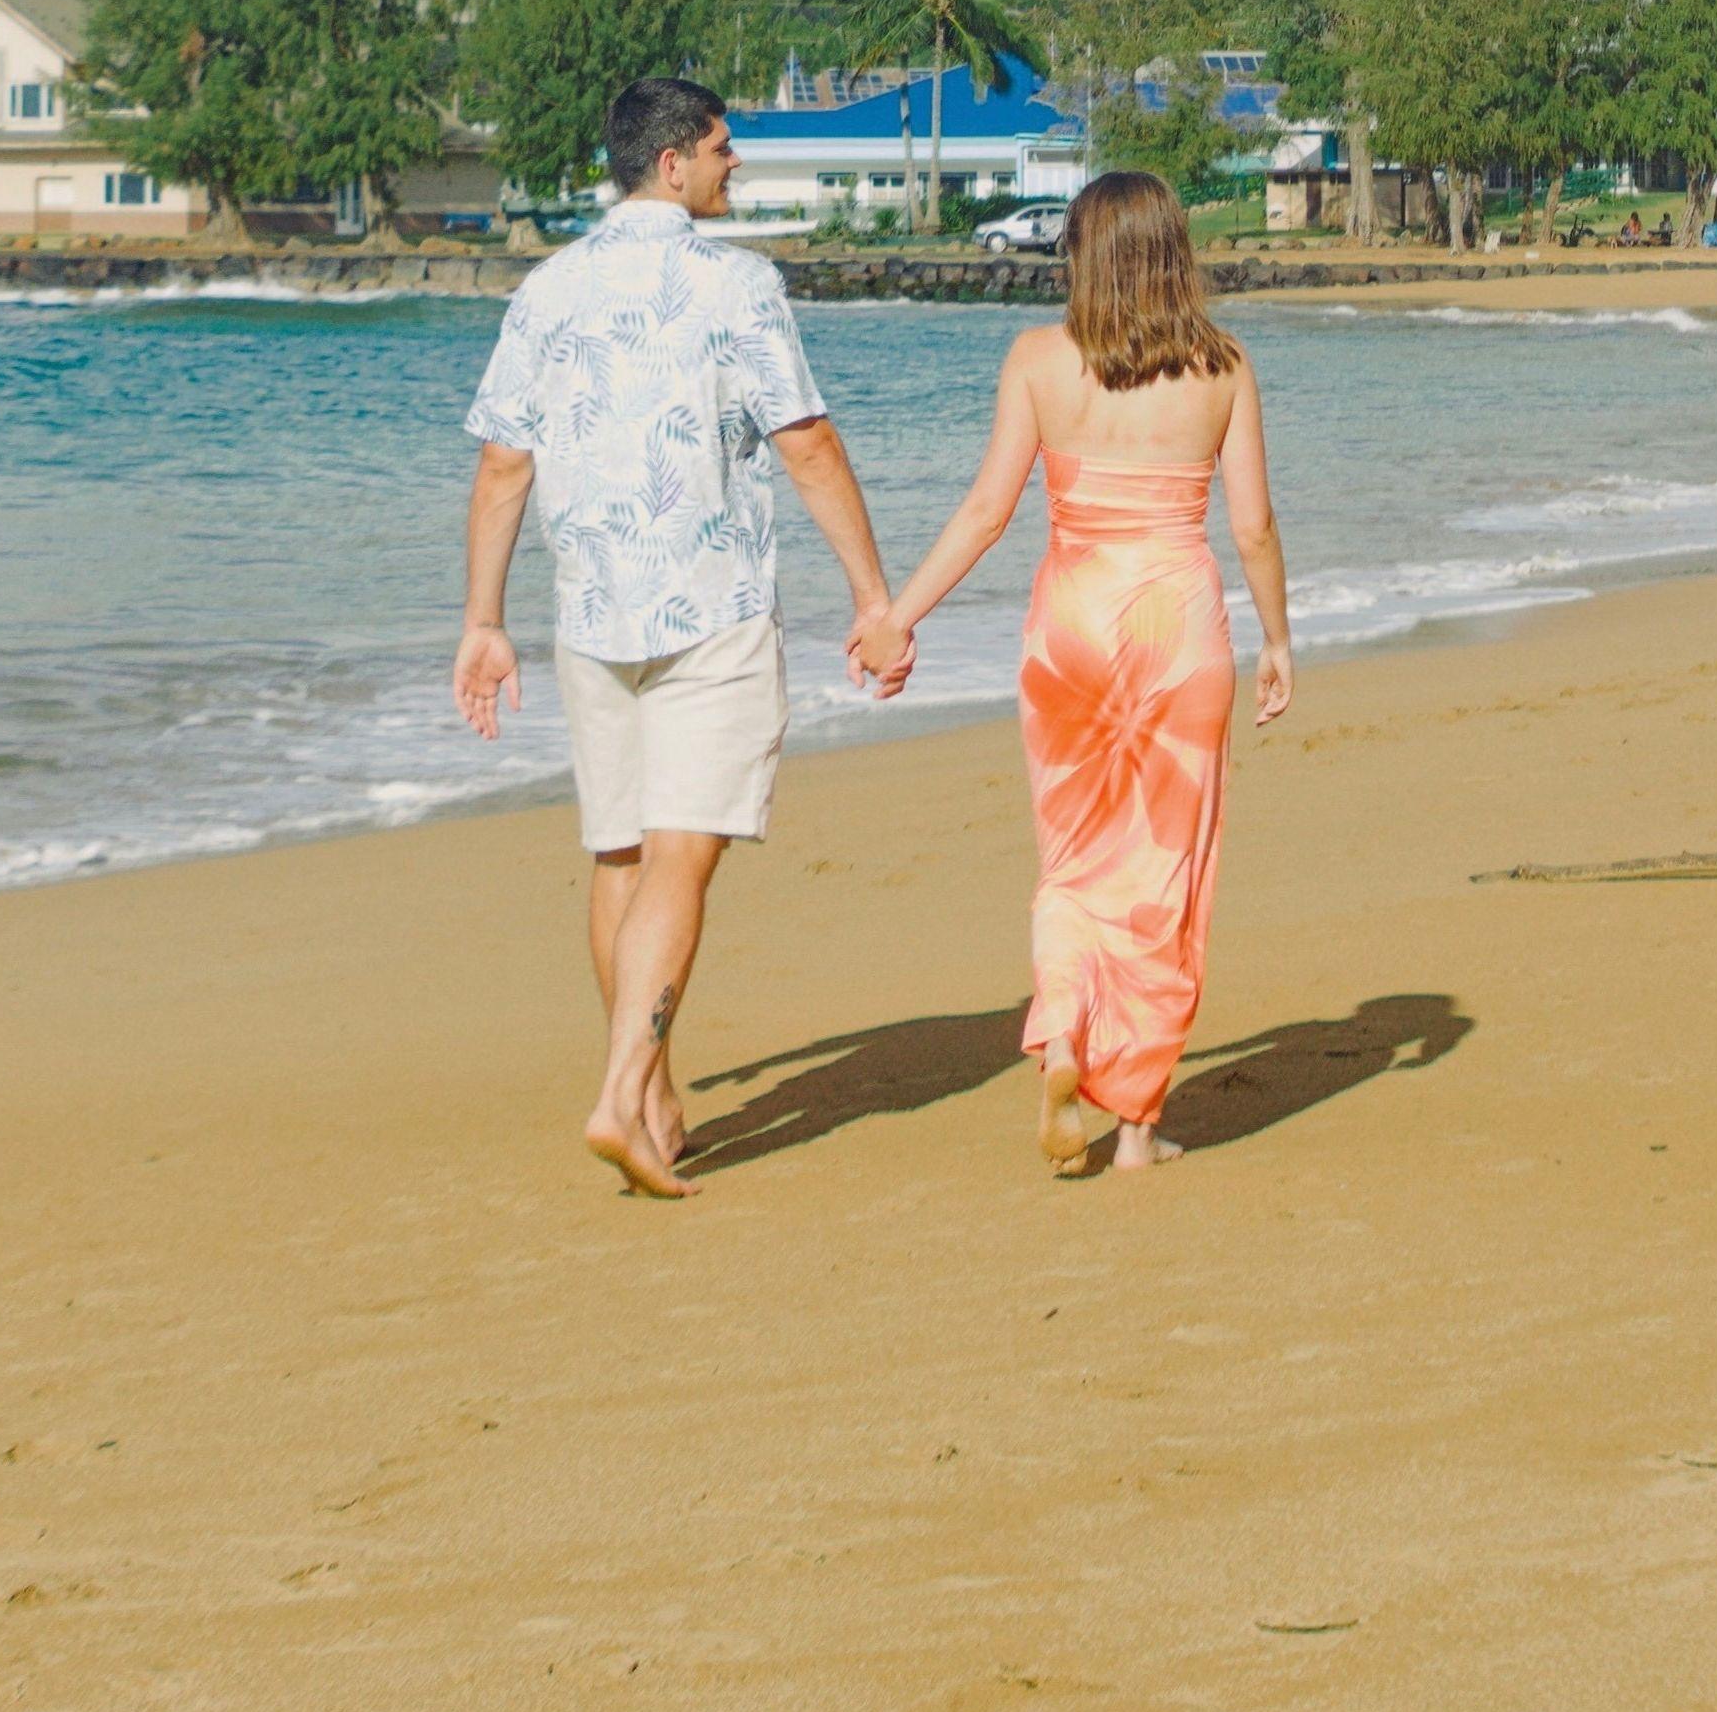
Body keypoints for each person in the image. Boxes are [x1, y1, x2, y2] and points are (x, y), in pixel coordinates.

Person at [452, 75, 914, 1200]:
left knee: (620, 855)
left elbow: (504, 461)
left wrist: (482, 622)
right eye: (720, 149)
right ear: (672, 164)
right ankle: (621, 1093)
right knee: (681, 853)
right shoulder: (737, 281)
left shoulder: (547, 289)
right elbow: (805, 441)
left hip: (590, 617)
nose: (732, 166)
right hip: (709, 609)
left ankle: (651, 1098)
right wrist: (873, 596)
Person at [868, 168, 1293, 1177]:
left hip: (1071, 632)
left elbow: (984, 513)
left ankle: (1065, 1036)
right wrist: (1278, 639)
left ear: (1082, 254)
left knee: (1073, 863)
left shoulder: (1036, 359)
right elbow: (1253, 526)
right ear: (1173, 253)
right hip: (1177, 629)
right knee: (1162, 875)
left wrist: (895, 617)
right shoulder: (1224, 365)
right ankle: (1137, 1128)